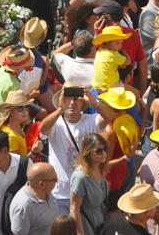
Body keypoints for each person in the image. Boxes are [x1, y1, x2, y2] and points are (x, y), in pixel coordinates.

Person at [38, 84, 109, 217]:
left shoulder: (89, 121)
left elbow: (109, 117)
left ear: (83, 101)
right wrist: (60, 109)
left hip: (84, 191)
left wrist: (96, 103)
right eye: (67, 98)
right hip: (60, 193)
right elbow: (42, 129)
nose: (72, 103)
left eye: (76, 98)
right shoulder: (56, 122)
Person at [69, 134, 110, 235]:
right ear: (87, 153)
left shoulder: (99, 168)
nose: (103, 153)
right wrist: (80, 233)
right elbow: (74, 208)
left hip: (100, 225)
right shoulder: (80, 177)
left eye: (105, 149)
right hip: (86, 228)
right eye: (99, 151)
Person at [8, 163, 59, 235]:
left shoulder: (47, 192)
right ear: (41, 184)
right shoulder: (24, 206)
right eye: (54, 179)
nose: (57, 181)